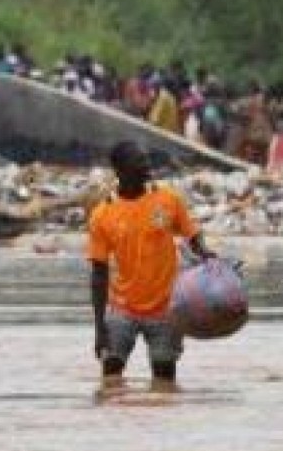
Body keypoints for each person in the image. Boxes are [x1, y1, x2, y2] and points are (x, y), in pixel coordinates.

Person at [87, 141, 214, 387]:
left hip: (166, 310)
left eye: (146, 159)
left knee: (164, 382)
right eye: (139, 161)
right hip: (122, 310)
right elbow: (99, 273)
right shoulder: (102, 214)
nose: (147, 165)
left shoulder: (168, 199)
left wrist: (205, 251)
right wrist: (100, 328)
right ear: (120, 169)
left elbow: (192, 235)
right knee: (110, 380)